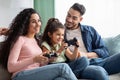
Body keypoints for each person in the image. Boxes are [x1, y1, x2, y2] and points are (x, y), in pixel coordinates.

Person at [0, 8, 78, 80]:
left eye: (39, 20)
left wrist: (47, 59)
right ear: (26, 24)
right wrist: (33, 59)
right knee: (63, 67)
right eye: (33, 21)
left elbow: (40, 65)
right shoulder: (20, 39)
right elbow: (11, 67)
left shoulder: (36, 41)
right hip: (21, 75)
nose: (38, 24)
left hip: (35, 73)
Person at [41, 18, 108, 80]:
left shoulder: (61, 43)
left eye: (62, 35)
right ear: (50, 34)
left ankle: (72, 76)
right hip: (54, 67)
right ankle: (69, 76)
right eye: (58, 34)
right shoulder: (45, 45)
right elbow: (49, 58)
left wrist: (76, 48)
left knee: (84, 60)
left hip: (66, 65)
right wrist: (60, 50)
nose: (61, 37)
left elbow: (72, 58)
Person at [64, 2, 120, 77]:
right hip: (82, 65)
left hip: (99, 61)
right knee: (100, 73)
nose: (69, 20)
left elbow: (104, 51)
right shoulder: (60, 32)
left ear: (80, 19)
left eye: (74, 18)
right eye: (68, 15)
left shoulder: (89, 30)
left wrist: (86, 55)